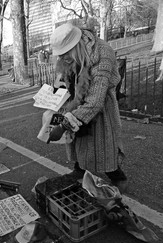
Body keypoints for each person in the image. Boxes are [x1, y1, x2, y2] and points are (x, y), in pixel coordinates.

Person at [48, 23, 128, 193]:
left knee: (102, 143)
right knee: (79, 139)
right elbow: (63, 81)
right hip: (77, 98)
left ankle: (117, 176)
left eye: (65, 54)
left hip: (101, 106)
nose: (62, 58)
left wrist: (62, 126)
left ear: (75, 46)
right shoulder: (71, 55)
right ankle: (80, 168)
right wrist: (54, 100)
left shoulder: (102, 52)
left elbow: (95, 101)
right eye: (60, 55)